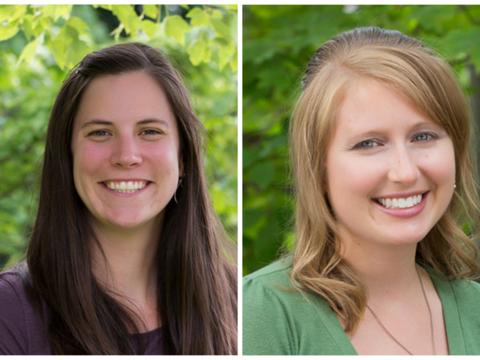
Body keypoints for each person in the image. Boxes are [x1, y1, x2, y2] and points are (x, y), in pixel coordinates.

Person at [243, 27, 480, 355]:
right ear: (319, 169)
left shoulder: (474, 309)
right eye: (369, 143)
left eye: (423, 136)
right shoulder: (257, 313)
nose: (405, 172)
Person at [0, 42, 237, 355]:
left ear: (182, 158)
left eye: (149, 131)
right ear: (67, 156)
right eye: (100, 133)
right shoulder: (10, 313)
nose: (126, 156)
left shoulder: (235, 299)